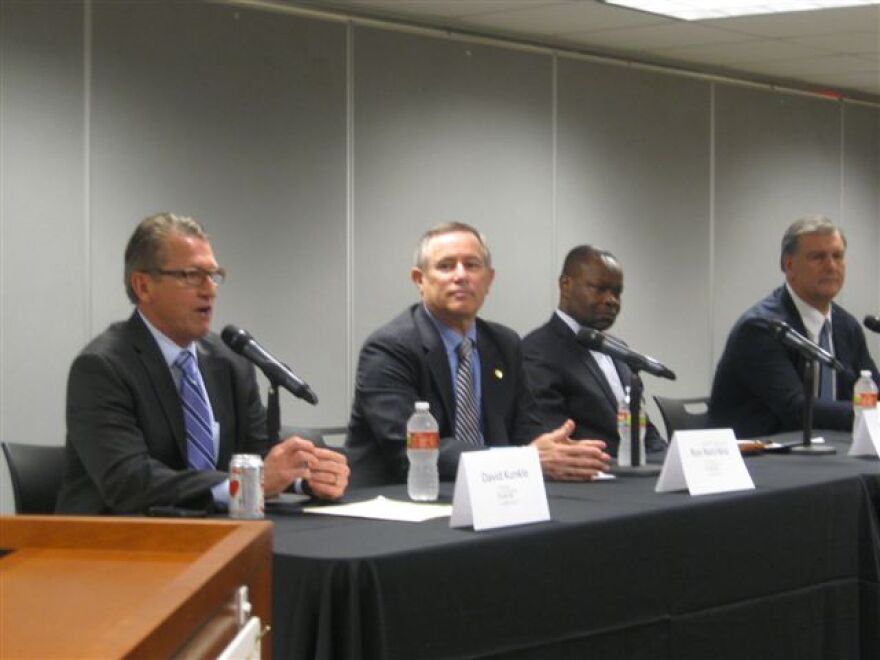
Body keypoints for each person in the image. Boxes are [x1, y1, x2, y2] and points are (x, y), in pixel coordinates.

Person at [56, 212, 349, 514]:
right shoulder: (102, 368)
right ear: (143, 286)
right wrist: (246, 483)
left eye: (213, 275)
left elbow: (258, 459)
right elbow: (129, 481)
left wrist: (304, 478)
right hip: (119, 537)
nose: (209, 289)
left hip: (219, 533)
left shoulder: (231, 361)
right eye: (191, 275)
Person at [345, 222, 610, 485]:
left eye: (472, 265)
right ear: (419, 280)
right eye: (446, 266)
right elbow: (411, 449)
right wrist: (522, 459)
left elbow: (526, 430)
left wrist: (557, 452)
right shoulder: (389, 348)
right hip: (399, 496)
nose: (461, 276)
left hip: (493, 491)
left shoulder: (504, 344)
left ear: (489, 279)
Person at [710, 216, 879, 438]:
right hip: (762, 451)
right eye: (818, 257)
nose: (831, 266)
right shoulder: (761, 329)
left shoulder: (846, 327)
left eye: (837, 256)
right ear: (789, 265)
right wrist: (867, 413)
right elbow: (797, 409)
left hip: (832, 449)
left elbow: (872, 388)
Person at [522, 246, 665, 458]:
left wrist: (668, 458)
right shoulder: (537, 350)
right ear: (565, 285)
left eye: (617, 292)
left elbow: (641, 427)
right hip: (589, 471)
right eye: (600, 289)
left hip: (636, 470)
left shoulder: (619, 350)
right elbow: (557, 439)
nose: (611, 300)